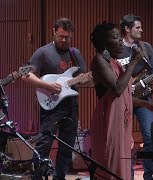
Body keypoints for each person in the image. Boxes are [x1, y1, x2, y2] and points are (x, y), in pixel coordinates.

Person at [23, 17, 90, 179]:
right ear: (54, 32)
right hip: (51, 107)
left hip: (71, 106)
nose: (64, 40)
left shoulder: (75, 53)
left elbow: (85, 78)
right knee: (44, 145)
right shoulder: (43, 52)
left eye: (67, 37)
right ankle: (36, 177)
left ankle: (59, 177)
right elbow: (26, 75)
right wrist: (47, 86)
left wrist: (86, 78)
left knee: (66, 148)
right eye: (61, 37)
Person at [118, 14, 153, 180]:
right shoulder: (117, 48)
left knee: (149, 136)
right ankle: (128, 175)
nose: (141, 30)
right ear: (127, 29)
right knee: (123, 140)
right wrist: (127, 85)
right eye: (138, 27)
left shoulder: (145, 47)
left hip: (144, 98)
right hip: (123, 99)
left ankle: (149, 176)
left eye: (141, 27)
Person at [90, 21, 142, 180]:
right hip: (109, 121)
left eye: (120, 37)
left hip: (121, 121)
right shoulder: (99, 60)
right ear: (104, 43)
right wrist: (133, 62)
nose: (121, 41)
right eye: (116, 38)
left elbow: (124, 94)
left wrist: (147, 104)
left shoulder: (115, 62)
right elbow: (117, 89)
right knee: (112, 166)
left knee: (122, 165)